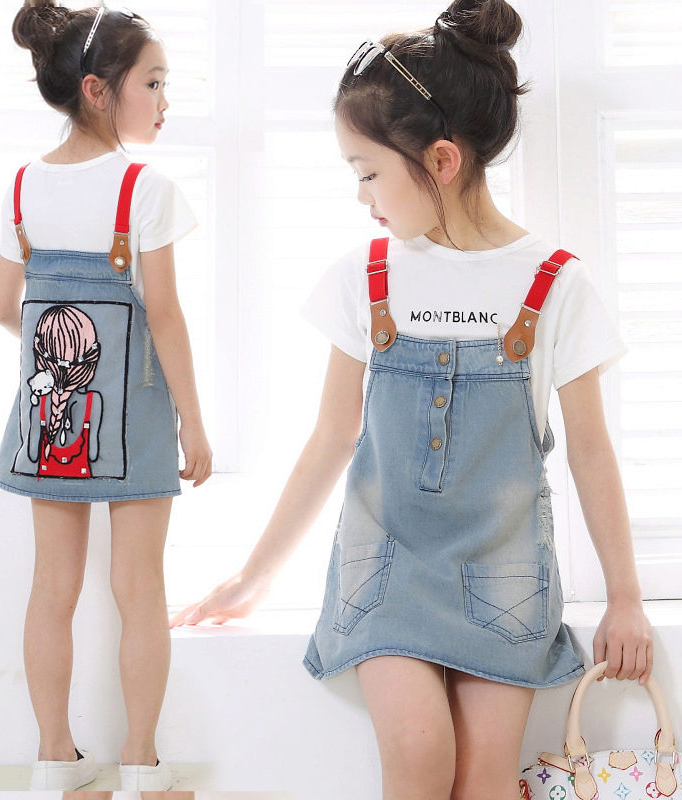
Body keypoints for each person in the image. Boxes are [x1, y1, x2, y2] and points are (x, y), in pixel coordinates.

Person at [170, 2, 652, 798]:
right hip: (389, 565)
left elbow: (592, 452)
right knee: (422, 752)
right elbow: (331, 439)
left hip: (504, 572)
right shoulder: (367, 278)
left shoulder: (555, 283)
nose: (363, 197)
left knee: (485, 776)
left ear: (441, 160)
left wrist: (625, 597)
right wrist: (252, 577)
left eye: (368, 173)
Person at [0, 2, 212, 791]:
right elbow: (165, 315)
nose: (163, 100)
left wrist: (59, 361)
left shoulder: (23, 186)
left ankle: (54, 760)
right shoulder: (145, 188)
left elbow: (2, 307)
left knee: (51, 590)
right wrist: (192, 422)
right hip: (135, 417)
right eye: (153, 83)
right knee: (140, 590)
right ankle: (143, 766)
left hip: (46, 422)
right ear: (97, 89)